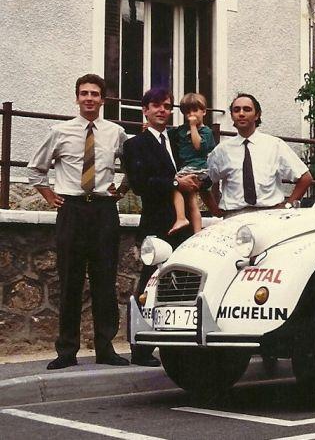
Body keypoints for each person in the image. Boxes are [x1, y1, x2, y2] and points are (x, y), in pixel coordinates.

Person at [28, 74, 130, 369]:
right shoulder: (60, 131)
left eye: (95, 94)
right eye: (84, 93)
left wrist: (122, 189)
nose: (89, 98)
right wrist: (49, 195)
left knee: (105, 280)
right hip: (72, 210)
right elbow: (36, 169)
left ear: (103, 100)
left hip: (103, 211)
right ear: (77, 98)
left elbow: (133, 164)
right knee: (70, 280)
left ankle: (105, 348)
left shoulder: (115, 133)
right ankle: (67, 351)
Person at [122, 88, 199, 367]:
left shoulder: (177, 140)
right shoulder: (135, 145)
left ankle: (179, 345)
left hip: (184, 223)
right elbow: (140, 184)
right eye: (156, 105)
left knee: (185, 283)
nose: (162, 110)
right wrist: (176, 183)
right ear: (145, 110)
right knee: (149, 284)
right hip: (157, 223)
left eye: (166, 106)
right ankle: (141, 348)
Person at [207, 93, 312, 215]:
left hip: (269, 215)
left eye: (247, 109)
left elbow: (305, 178)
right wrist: (214, 210)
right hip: (234, 215)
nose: (241, 113)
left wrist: (288, 205)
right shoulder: (222, 150)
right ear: (231, 115)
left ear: (257, 115)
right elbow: (203, 182)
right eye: (236, 110)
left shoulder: (275, 145)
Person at [167, 93, 219, 235]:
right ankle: (214, 214)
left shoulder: (206, 131)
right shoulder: (181, 130)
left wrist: (193, 127)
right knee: (195, 198)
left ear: (204, 111)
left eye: (195, 110)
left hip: (198, 168)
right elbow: (166, 135)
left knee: (174, 184)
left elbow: (199, 147)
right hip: (188, 167)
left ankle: (181, 218)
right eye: (187, 112)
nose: (191, 115)